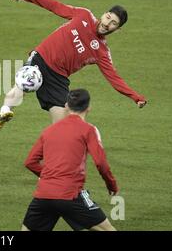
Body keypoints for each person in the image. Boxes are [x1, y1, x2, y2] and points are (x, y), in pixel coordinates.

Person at [0, 0, 147, 129]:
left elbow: (114, 78)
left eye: (113, 23)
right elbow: (54, 6)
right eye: (108, 18)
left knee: (62, 125)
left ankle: (54, 151)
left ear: (118, 29)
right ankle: (5, 111)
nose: (107, 24)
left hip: (58, 77)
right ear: (104, 14)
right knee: (26, 81)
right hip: (42, 57)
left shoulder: (102, 52)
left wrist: (135, 97)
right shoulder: (84, 15)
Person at [22, 89, 118, 231]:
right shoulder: (88, 130)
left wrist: (50, 177)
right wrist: (111, 184)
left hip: (44, 195)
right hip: (71, 195)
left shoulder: (49, 130)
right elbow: (100, 163)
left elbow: (30, 162)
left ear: (66, 105)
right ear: (89, 108)